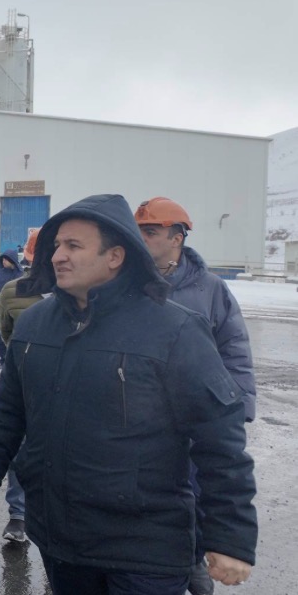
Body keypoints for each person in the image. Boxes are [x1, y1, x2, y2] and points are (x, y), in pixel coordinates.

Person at [0, 193, 257, 595]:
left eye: (74, 246)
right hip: (60, 541)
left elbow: (220, 439)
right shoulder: (34, 325)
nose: (57, 256)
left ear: (115, 256)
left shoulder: (175, 329)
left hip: (144, 549)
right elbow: (10, 408)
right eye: (56, 245)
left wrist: (230, 536)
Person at [134, 196, 257, 595]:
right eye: (139, 230)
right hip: (139, 417)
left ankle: (194, 559)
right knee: (147, 494)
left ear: (177, 237)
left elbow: (234, 349)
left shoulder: (210, 289)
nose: (141, 237)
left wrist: (239, 406)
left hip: (195, 417)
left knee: (197, 491)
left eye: (151, 231)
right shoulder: (125, 282)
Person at [0, 227, 43, 544]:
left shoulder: (85, 292)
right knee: (20, 448)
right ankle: (19, 515)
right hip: (24, 381)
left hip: (69, 385)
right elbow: (5, 331)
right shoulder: (12, 291)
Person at [0, 249, 23, 369]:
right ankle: (3, 362)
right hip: (1, 311)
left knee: (17, 337)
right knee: (2, 338)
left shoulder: (22, 274)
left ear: (13, 260)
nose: (4, 261)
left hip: (17, 311)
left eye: (7, 259)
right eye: (3, 259)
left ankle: (16, 362)